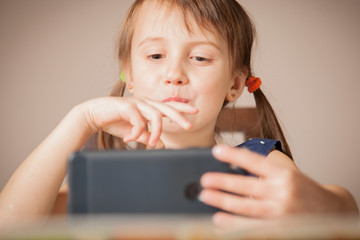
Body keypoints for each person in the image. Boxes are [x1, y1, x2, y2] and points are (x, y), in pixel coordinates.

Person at [0, 0, 358, 228]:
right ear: (130, 77)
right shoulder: (109, 180)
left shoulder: (254, 165)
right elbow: (11, 224)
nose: (174, 73)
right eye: (156, 56)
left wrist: (321, 204)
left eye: (200, 57)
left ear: (235, 85)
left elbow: (344, 211)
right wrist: (81, 119)